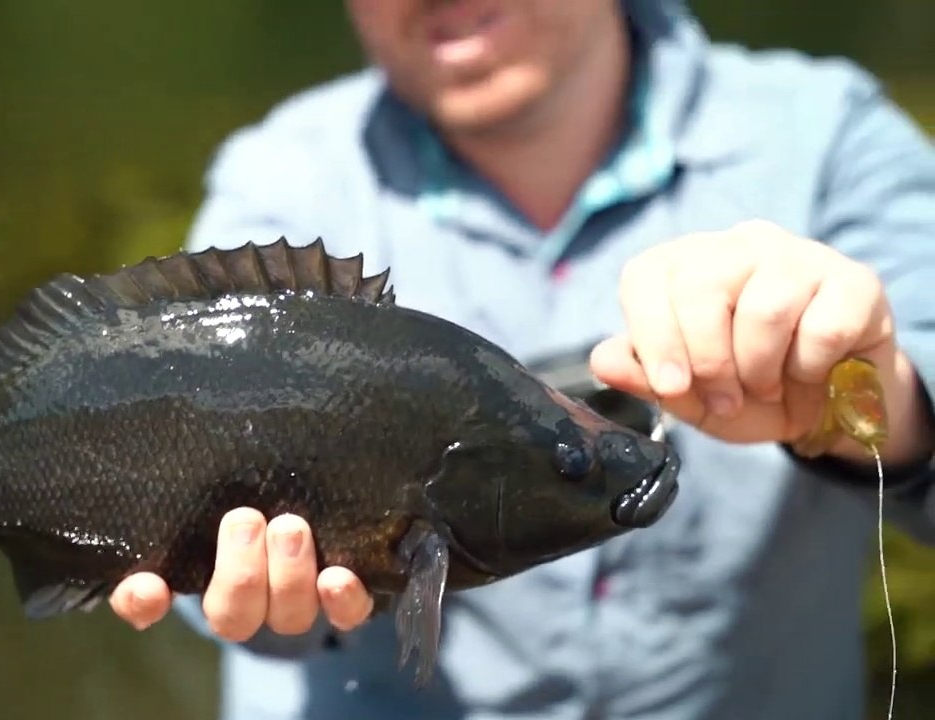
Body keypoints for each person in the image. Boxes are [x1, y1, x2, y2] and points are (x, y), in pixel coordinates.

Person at [109, 0, 935, 717]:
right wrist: (249, 594)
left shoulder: (826, 137)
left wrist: (883, 402)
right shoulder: (277, 182)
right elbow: (181, 545)